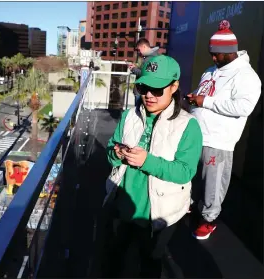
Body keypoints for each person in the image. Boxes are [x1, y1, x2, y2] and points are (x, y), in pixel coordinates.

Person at [104, 55, 203, 278]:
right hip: (121, 206)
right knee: (113, 259)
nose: (149, 95)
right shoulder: (129, 115)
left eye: (157, 89)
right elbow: (110, 152)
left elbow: (185, 172)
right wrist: (117, 153)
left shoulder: (188, 125)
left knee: (149, 265)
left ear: (175, 86)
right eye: (143, 87)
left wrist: (147, 161)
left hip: (159, 214)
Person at [187, 20, 262, 240]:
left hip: (218, 141)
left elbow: (244, 107)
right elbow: (203, 94)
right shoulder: (212, 70)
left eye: (216, 54)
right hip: (196, 135)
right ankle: (192, 205)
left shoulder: (246, 76)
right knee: (193, 177)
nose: (212, 58)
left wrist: (205, 102)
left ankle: (209, 220)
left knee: (213, 183)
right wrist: (193, 99)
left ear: (229, 52)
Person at [128, 38, 160, 105]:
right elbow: (146, 71)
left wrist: (133, 69)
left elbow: (146, 74)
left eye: (139, 50)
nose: (139, 52)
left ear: (144, 46)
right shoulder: (151, 57)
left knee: (140, 112)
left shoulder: (152, 58)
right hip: (142, 90)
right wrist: (136, 67)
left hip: (142, 91)